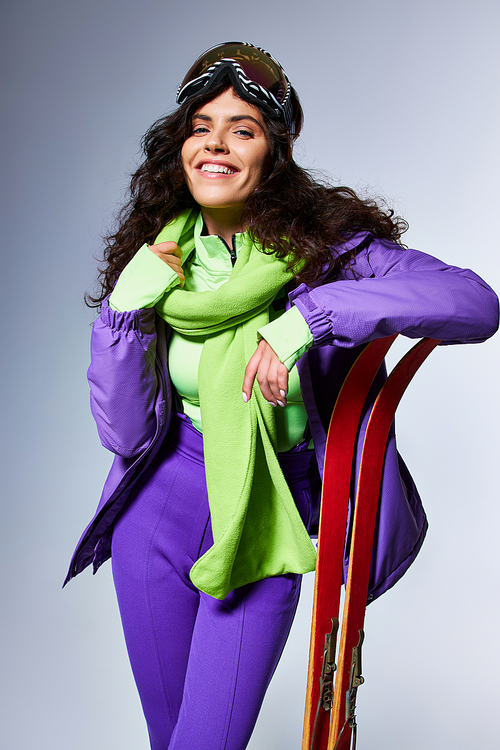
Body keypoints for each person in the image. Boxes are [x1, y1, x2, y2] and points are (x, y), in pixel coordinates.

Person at [65, 42, 498, 750]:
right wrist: (121, 311)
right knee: (169, 739)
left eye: (243, 129)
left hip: (267, 518)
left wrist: (313, 316)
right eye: (201, 126)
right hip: (157, 511)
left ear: (274, 152)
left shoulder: (325, 252)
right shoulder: (162, 256)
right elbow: (122, 435)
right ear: (180, 147)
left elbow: (474, 305)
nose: (217, 145)